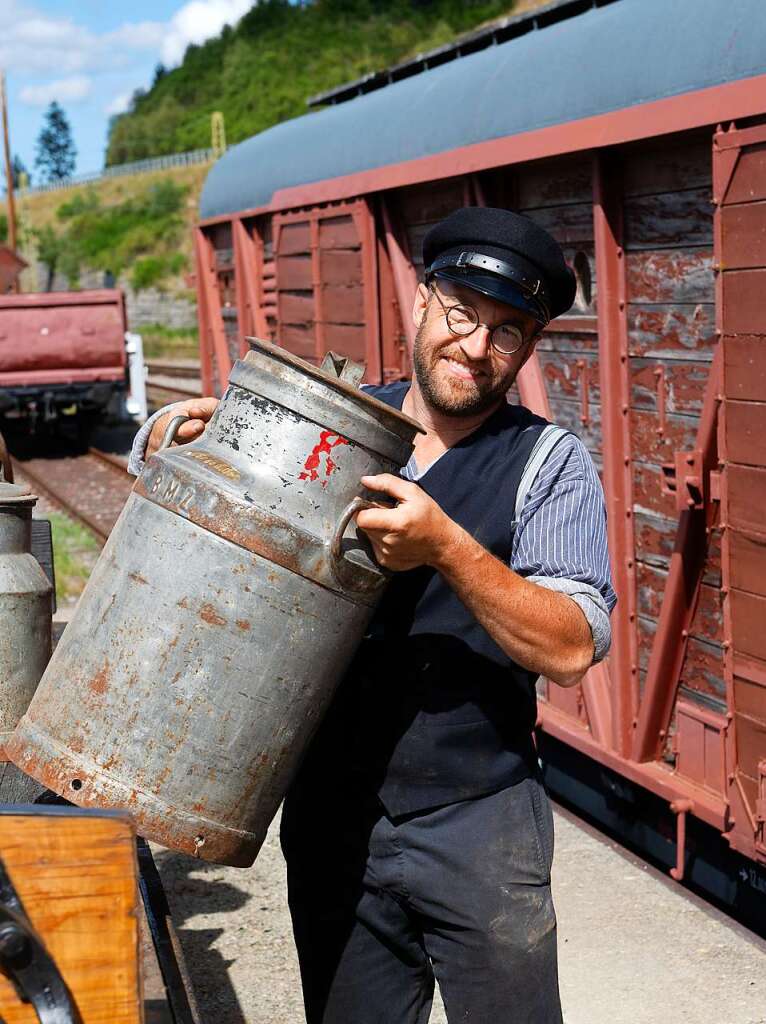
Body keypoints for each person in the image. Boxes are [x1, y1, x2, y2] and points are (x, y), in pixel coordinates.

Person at [129, 207, 615, 1023]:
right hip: (333, 821)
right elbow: (186, 502)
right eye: (463, 312)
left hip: (479, 822)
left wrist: (449, 550)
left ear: (528, 349)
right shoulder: (338, 424)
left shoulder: (549, 463)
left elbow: (571, 648)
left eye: (507, 331)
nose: (475, 346)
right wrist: (182, 434)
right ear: (422, 302)